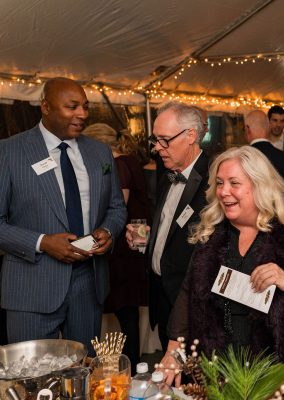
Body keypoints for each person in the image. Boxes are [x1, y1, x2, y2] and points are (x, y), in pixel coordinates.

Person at [161, 146, 284, 386]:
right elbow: (188, 292)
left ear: (260, 185)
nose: (224, 192)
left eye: (234, 183)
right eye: (219, 183)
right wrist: (174, 349)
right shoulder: (211, 235)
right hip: (218, 373)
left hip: (277, 374)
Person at [0, 77, 127, 352]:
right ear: (46, 107)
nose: (82, 114)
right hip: (31, 288)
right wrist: (43, 242)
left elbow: (116, 207)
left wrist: (108, 231)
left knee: (83, 369)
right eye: (72, 107)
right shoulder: (9, 151)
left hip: (88, 285)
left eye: (85, 106)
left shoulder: (100, 153)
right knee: (32, 374)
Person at [126, 101, 210, 351]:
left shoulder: (215, 179)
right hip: (162, 298)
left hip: (193, 304)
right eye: (155, 140)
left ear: (191, 136)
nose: (157, 148)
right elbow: (172, 229)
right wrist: (149, 239)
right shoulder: (167, 175)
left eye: (165, 140)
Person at [82, 123, 151, 366]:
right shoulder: (130, 161)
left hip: (124, 245)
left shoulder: (118, 165)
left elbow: (117, 206)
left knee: (126, 309)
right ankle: (132, 364)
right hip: (133, 240)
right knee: (128, 309)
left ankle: (129, 366)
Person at [245, 110, 284, 201]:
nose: (278, 125)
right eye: (275, 120)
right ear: (268, 126)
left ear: (247, 129)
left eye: (282, 121)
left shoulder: (243, 159)